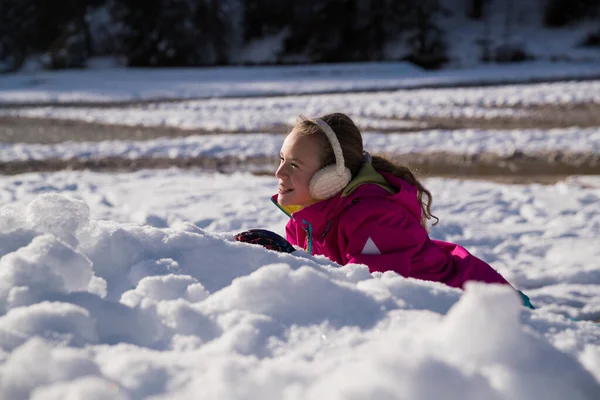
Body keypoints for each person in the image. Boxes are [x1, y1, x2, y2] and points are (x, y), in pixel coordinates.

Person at [264, 112, 534, 306]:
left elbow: (369, 296)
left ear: (331, 176)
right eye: (282, 160)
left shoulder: (377, 219)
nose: (279, 172)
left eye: (294, 165)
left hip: (487, 309)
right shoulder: (302, 222)